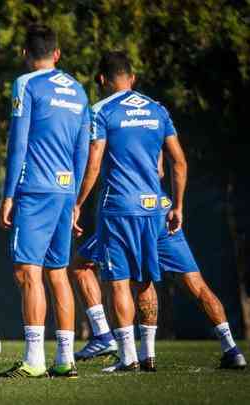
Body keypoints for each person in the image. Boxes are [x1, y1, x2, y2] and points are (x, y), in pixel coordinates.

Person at [74, 51, 187, 372]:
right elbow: (178, 161)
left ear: (101, 80)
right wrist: (177, 204)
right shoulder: (157, 109)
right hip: (154, 207)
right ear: (132, 78)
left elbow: (94, 162)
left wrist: (78, 204)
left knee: (119, 281)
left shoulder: (101, 111)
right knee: (146, 280)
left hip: (118, 207)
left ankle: (127, 358)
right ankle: (148, 354)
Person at [0, 25, 91, 378]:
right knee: (57, 273)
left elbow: (18, 143)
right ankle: (65, 359)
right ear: (57, 54)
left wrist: (8, 195)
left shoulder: (26, 84)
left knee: (27, 271)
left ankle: (35, 360)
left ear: (24, 53)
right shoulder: (79, 91)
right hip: (66, 191)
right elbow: (83, 149)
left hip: (35, 188)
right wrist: (77, 198)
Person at [73, 204, 247, 370]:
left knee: (83, 267)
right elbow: (162, 173)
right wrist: (178, 206)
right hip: (162, 211)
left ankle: (106, 337)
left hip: (129, 212)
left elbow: (94, 171)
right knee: (195, 285)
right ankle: (231, 349)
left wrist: (78, 203)